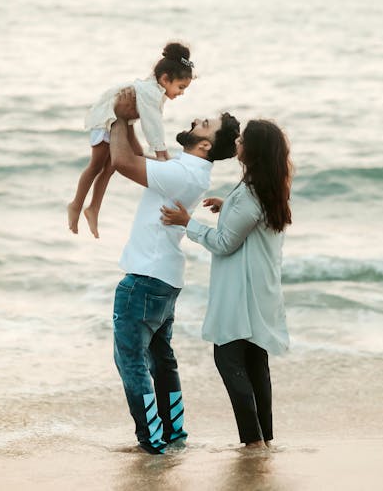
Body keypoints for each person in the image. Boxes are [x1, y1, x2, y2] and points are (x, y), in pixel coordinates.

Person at [110, 90, 240, 455]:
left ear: (203, 144)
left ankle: (152, 440)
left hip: (145, 278)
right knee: (161, 360)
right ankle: (174, 432)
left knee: (131, 360)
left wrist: (118, 117)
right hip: (164, 279)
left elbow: (122, 161)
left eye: (206, 124)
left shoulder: (182, 174)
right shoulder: (189, 171)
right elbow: (136, 156)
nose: (198, 120)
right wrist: (132, 121)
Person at [161, 119, 292, 449]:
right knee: (255, 363)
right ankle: (264, 440)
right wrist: (227, 206)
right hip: (259, 288)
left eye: (243, 140)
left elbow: (223, 243)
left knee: (229, 359)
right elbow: (245, 222)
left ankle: (253, 442)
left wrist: (187, 223)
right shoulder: (266, 188)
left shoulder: (250, 195)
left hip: (242, 292)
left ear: (255, 151)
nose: (237, 143)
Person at [68, 42, 194, 238]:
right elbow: (153, 125)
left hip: (120, 121)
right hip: (106, 119)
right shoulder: (152, 92)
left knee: (110, 168)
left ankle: (93, 208)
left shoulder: (154, 89)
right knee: (96, 166)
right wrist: (161, 155)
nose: (182, 92)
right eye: (180, 87)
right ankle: (76, 205)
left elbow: (149, 120)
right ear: (165, 79)